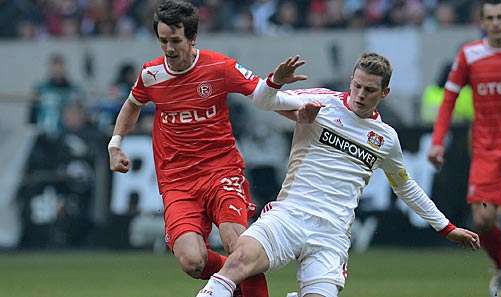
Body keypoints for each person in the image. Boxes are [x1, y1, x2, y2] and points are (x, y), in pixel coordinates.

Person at [195, 52, 481, 297]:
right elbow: (264, 101)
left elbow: (406, 187)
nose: (360, 95)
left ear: (384, 93)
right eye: (357, 86)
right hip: (290, 214)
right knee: (238, 262)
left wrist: (445, 227)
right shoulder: (322, 103)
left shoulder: (386, 138)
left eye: (369, 90)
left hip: (331, 234)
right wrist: (276, 81)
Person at [107, 1, 307, 296]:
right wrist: (115, 144)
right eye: (163, 41)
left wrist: (300, 109)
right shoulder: (151, 75)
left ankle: (235, 275)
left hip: (221, 171)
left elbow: (263, 96)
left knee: (238, 244)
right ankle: (234, 276)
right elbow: (132, 104)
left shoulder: (219, 67)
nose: (169, 49)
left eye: (175, 41)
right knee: (192, 261)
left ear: (192, 38)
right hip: (177, 182)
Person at [427, 1, 501, 296]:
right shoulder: (470, 54)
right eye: (490, 17)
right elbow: (448, 99)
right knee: (483, 220)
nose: (496, 23)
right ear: (482, 22)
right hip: (486, 150)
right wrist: (437, 141)